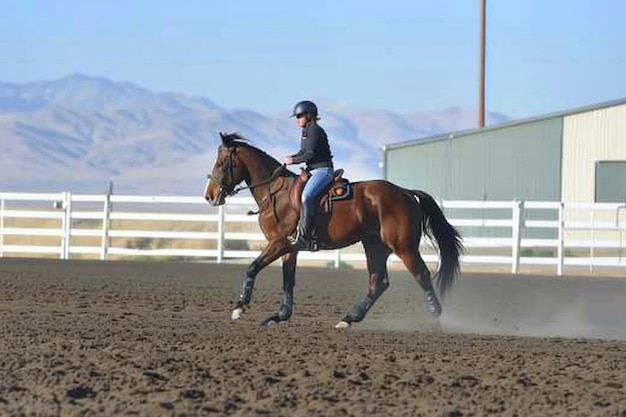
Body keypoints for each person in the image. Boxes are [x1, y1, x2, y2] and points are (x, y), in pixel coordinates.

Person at [283, 100, 334, 251]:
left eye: (299, 116)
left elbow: (309, 154)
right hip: (312, 171)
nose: (297, 119)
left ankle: (305, 237)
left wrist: (294, 160)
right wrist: (291, 158)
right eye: (296, 116)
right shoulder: (306, 130)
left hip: (323, 170)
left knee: (306, 196)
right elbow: (302, 152)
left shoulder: (314, 130)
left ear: (309, 115)